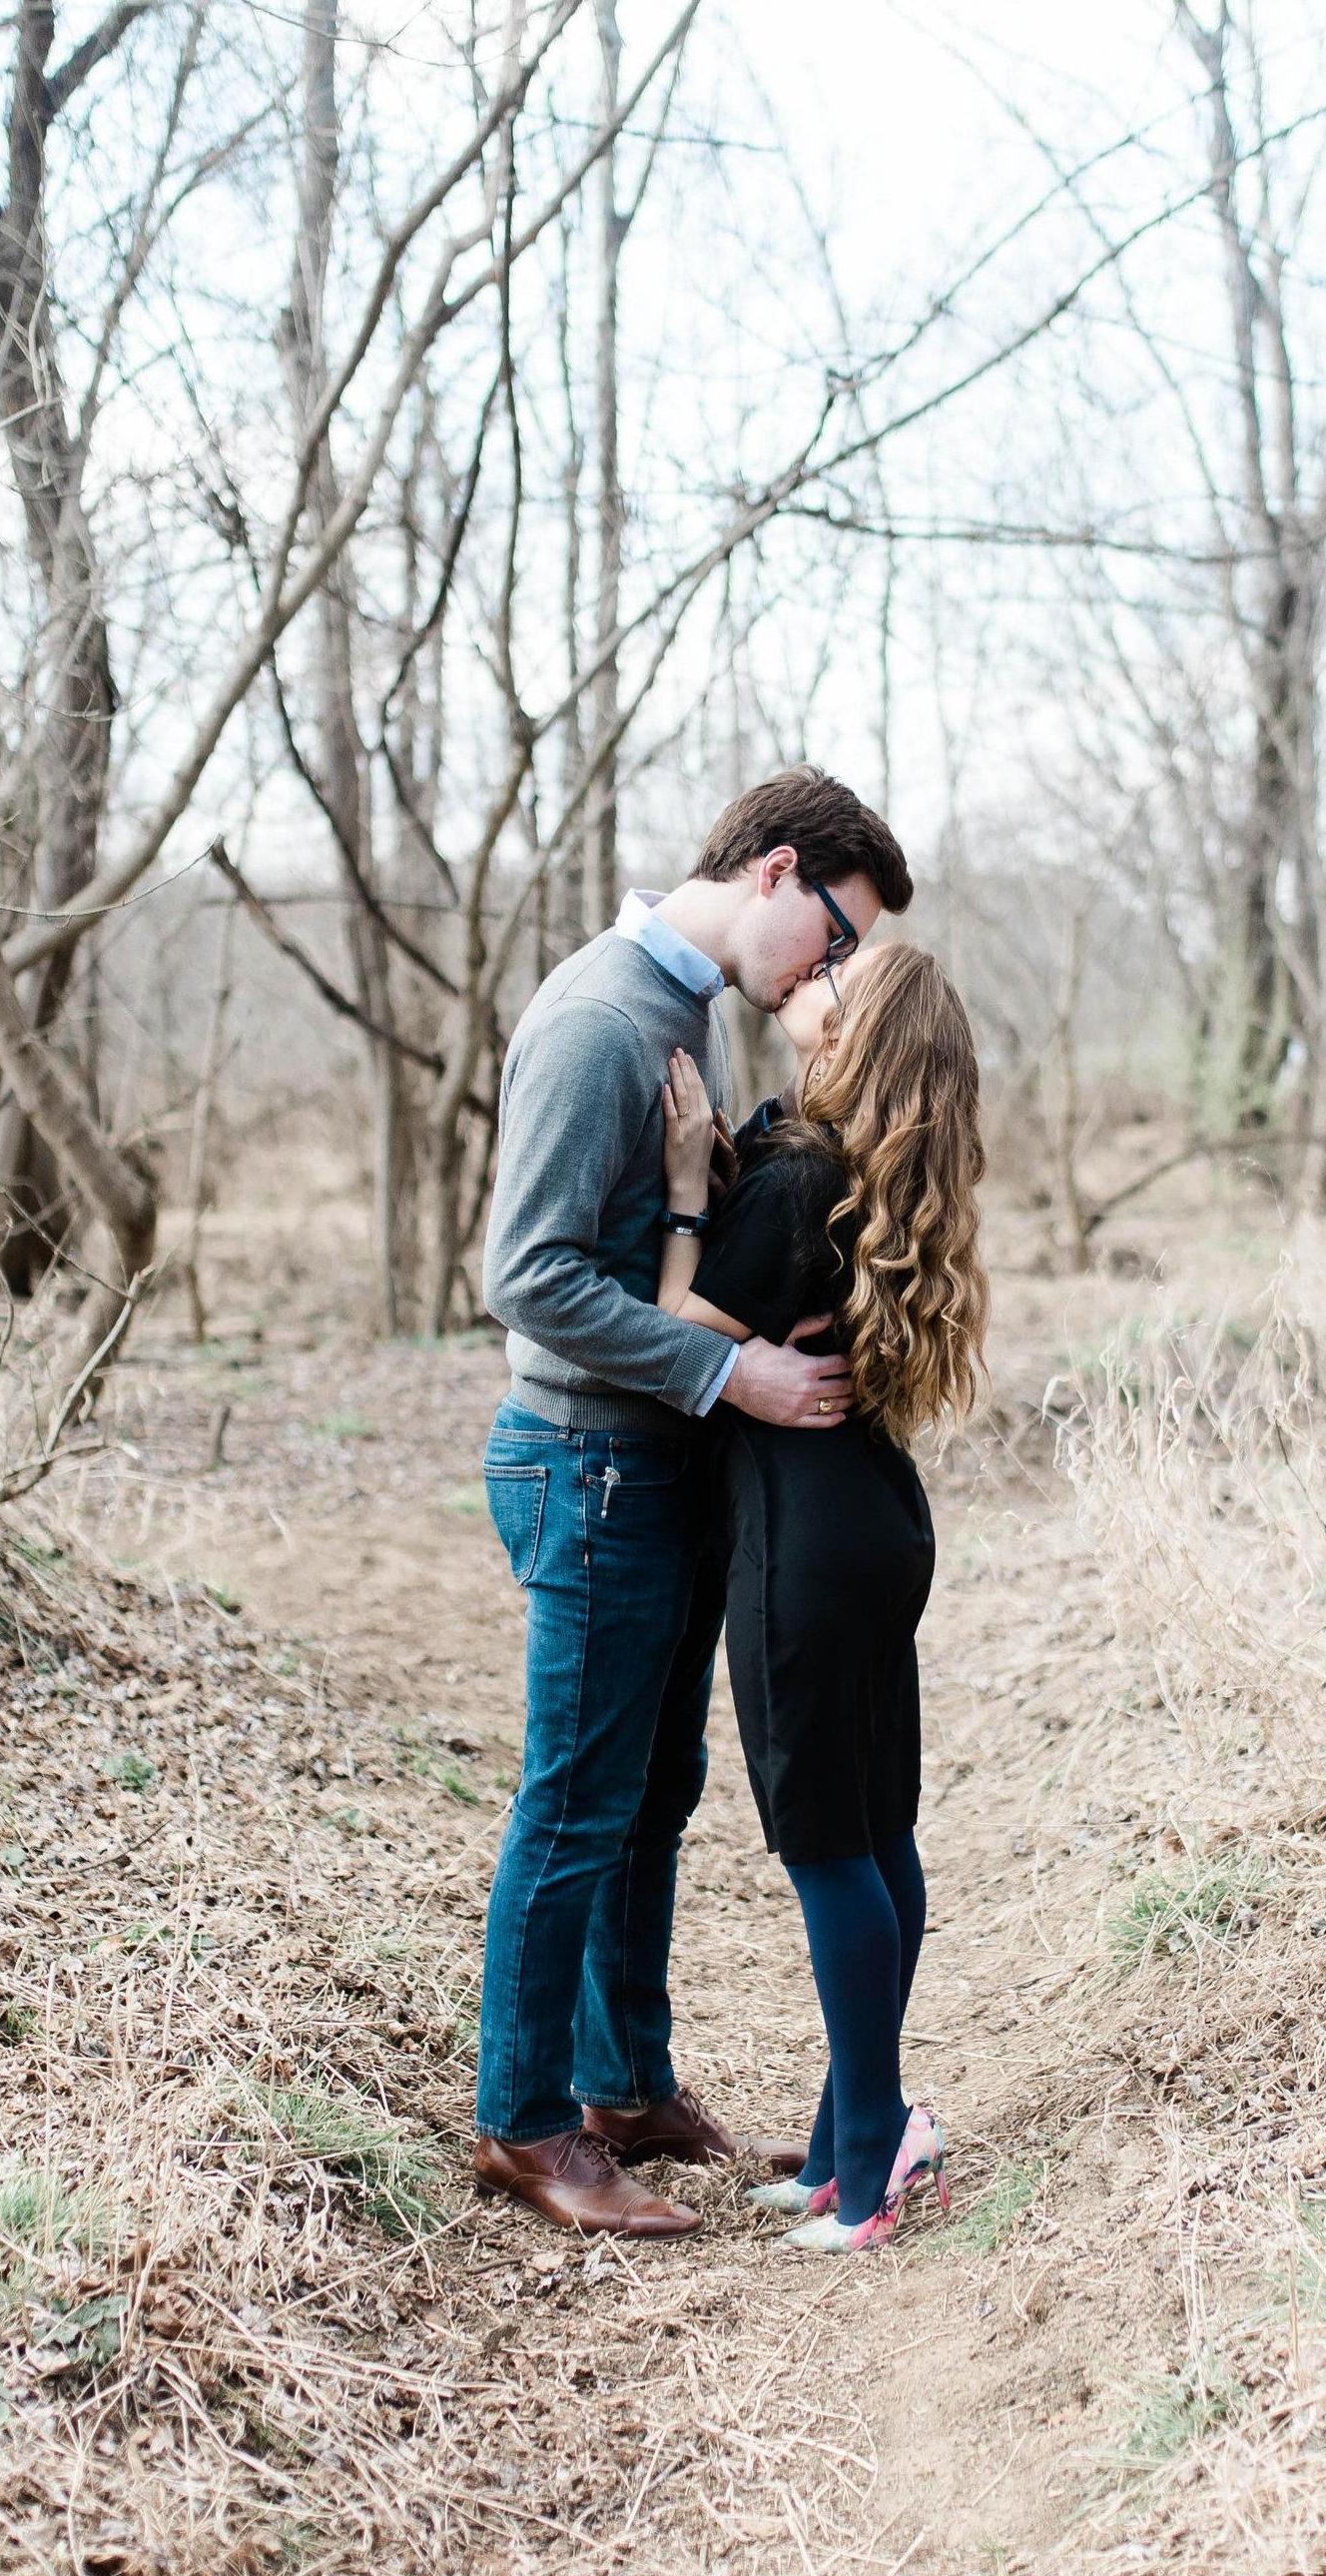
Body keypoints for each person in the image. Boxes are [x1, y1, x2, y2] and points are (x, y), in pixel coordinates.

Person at [472, 767, 915, 2239]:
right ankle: (525, 2122)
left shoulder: (692, 1012)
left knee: (651, 1798)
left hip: (649, 1463)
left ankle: (624, 2081)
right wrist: (730, 1383)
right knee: (577, 1801)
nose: (833, 972)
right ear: (776, 872)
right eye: (836, 937)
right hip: (586, 1459)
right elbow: (525, 1277)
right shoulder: (604, 1017)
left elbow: (671, 1236)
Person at [652, 937, 989, 2249]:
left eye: (830, 989)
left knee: (828, 1844)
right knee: (876, 1828)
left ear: (851, 1041)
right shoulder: (859, 1173)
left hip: (802, 1539)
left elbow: (678, 1331)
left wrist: (686, 1187)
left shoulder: (797, 1179)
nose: (805, 983)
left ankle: (869, 2169)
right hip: (873, 1520)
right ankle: (862, 2128)